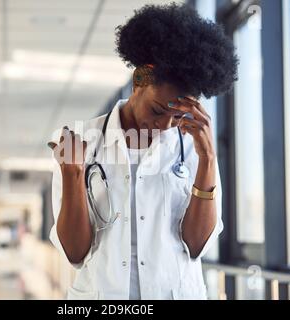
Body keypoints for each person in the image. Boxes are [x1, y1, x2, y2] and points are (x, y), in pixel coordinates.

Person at [47, 2, 238, 300]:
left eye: (177, 116)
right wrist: (73, 175)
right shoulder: (81, 141)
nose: (165, 125)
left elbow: (197, 245)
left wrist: (208, 161)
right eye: (159, 109)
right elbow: (75, 252)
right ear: (140, 80)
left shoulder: (193, 148)